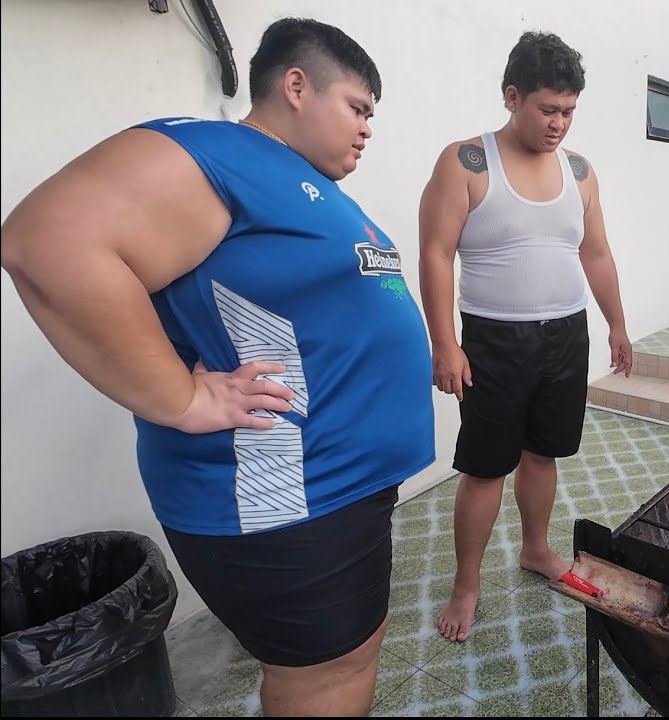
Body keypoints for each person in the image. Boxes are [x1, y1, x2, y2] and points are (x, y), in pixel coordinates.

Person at [0, 18, 434, 717]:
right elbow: (48, 243)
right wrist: (182, 399)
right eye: (358, 107)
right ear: (296, 85)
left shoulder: (302, 187)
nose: (367, 128)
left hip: (336, 488)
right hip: (288, 495)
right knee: (324, 677)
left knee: (342, 660)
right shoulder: (218, 153)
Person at [418, 31, 631, 642]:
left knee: (545, 452)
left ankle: (535, 549)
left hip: (566, 334)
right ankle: (467, 583)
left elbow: (596, 253)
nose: (559, 122)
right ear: (512, 96)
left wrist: (616, 322)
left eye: (568, 110)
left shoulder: (580, 171)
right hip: (493, 341)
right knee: (485, 468)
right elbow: (436, 255)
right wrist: (444, 342)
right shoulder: (466, 161)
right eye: (547, 109)